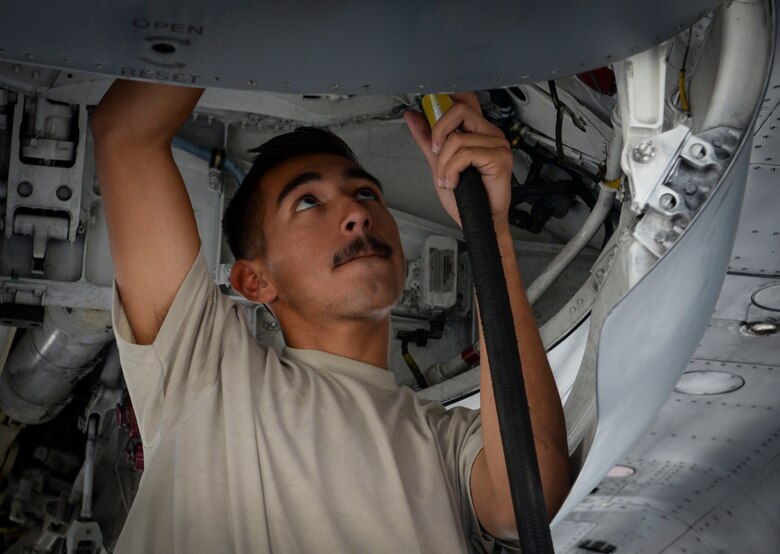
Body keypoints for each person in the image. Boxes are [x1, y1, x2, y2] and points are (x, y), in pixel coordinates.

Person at [91, 79, 570, 553]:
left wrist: (488, 228)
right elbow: (126, 136)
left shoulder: (445, 443)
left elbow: (525, 502)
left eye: (366, 194)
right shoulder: (207, 375)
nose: (356, 214)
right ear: (254, 282)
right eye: (308, 202)